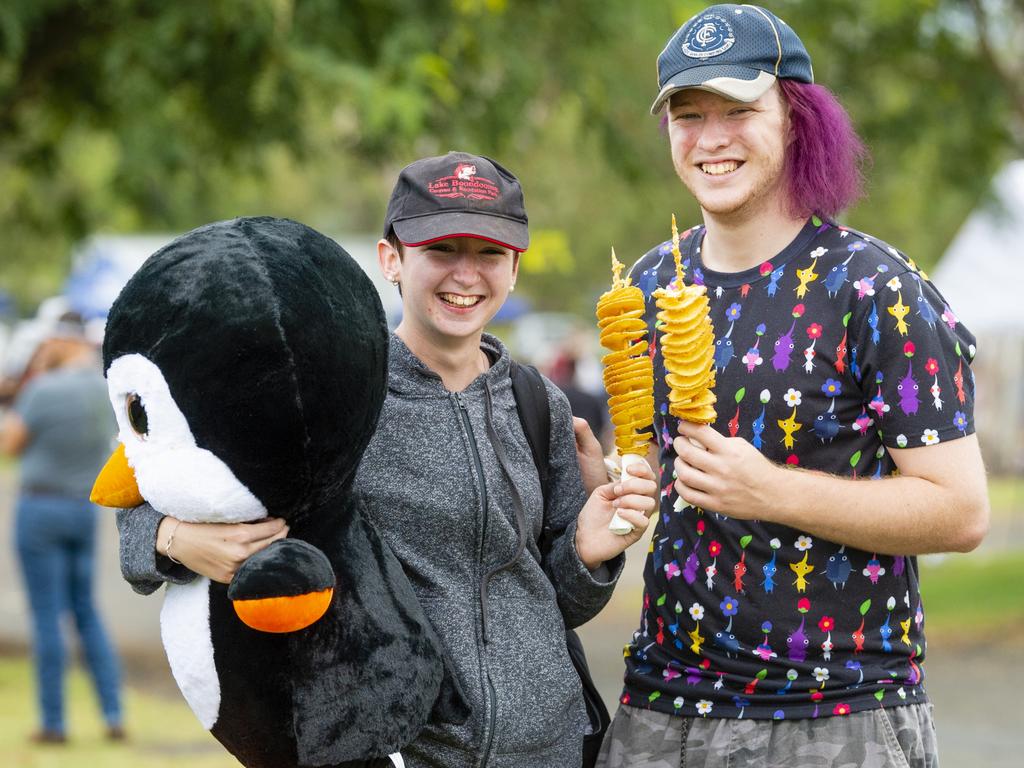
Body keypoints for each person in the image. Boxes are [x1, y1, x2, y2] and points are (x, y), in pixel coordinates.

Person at [115, 151, 658, 767]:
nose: (466, 274)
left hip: (551, 747)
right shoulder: (333, 393)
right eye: (442, 250)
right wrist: (174, 538)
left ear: (514, 269)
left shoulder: (540, 405)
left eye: (488, 254)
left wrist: (589, 551)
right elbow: (154, 496)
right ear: (391, 259)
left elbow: (554, 602)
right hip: (398, 752)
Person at [591, 6, 990, 767]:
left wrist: (769, 490)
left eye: (738, 111)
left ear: (797, 119)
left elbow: (961, 511)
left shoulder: (876, 288)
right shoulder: (645, 285)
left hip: (837, 715)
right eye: (688, 114)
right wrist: (616, 485)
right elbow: (647, 466)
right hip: (660, 708)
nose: (710, 138)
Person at [0, 313, 125, 744]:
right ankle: (112, 712)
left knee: (47, 617)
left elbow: (10, 444)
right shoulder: (103, 392)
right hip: (83, 510)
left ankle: (54, 723)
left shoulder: (42, 389)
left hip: (41, 510)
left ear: (61, 340)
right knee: (86, 611)